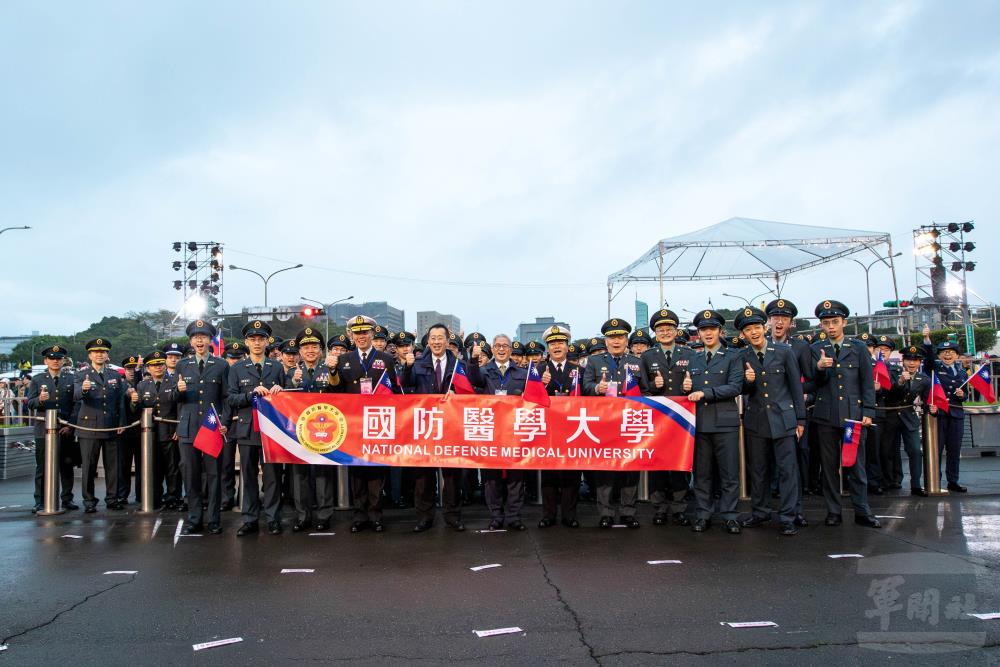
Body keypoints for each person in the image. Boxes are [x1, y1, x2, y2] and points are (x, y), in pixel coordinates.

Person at [810, 300, 881, 528]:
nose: (830, 327)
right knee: (829, 467)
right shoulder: (816, 349)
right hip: (826, 416)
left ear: (844, 323)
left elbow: (867, 383)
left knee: (856, 465)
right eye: (826, 323)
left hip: (853, 415)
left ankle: (862, 510)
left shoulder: (858, 348)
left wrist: (868, 410)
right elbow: (814, 383)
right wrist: (820, 368)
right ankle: (833, 511)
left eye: (835, 322)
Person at [737, 307, 805, 536]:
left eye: (757, 327)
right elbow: (742, 389)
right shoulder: (742, 356)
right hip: (756, 420)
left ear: (764, 328)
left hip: (784, 420)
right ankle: (760, 512)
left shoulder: (784, 351)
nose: (754, 332)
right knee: (758, 470)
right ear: (743, 335)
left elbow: (796, 387)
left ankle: (788, 516)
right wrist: (748, 382)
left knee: (787, 470)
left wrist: (800, 419)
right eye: (748, 330)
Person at [333, 316, 401, 533]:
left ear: (373, 334)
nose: (361, 337)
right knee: (357, 473)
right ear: (351, 335)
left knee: (376, 473)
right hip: (353, 425)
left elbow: (396, 392)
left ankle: (376, 515)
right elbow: (335, 392)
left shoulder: (385, 359)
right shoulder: (345, 359)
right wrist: (333, 372)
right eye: (357, 333)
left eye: (365, 333)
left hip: (378, 423)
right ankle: (359, 516)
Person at [582, 318, 648, 528]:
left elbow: (646, 390)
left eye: (620, 337)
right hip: (604, 422)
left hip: (629, 422)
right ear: (606, 340)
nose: (616, 341)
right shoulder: (594, 362)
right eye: (612, 337)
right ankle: (606, 512)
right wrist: (596, 389)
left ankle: (628, 511)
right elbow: (585, 387)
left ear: (626, 339)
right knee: (605, 468)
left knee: (630, 467)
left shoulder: (637, 362)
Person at [402, 322, 468, 532]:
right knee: (423, 476)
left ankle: (452, 516)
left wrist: (458, 395)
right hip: (425, 427)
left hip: (450, 427)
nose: (437, 341)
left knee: (451, 476)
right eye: (433, 338)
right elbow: (406, 385)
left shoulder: (458, 364)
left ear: (448, 341)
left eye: (441, 338)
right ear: (428, 341)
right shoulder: (419, 363)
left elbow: (469, 390)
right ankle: (424, 517)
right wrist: (408, 366)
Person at [684, 310, 744, 534]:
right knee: (702, 473)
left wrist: (705, 393)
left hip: (725, 422)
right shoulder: (694, 358)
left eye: (711, 329)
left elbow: (735, 387)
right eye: (703, 330)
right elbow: (687, 388)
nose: (707, 333)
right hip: (699, 422)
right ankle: (703, 514)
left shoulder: (733, 356)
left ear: (721, 331)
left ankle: (730, 515)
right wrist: (687, 388)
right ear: (698, 333)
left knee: (729, 473)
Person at [228, 319, 286, 536]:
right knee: (249, 476)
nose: (257, 343)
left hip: (272, 430)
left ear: (267, 341)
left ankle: (273, 518)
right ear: (246, 342)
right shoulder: (238, 368)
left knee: (272, 476)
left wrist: (282, 391)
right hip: (247, 429)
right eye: (253, 339)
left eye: (261, 339)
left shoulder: (277, 367)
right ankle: (250, 518)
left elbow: (288, 399)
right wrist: (250, 394)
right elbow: (231, 399)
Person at [640, 308, 695, 526]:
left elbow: (699, 383)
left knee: (680, 463)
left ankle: (679, 507)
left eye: (669, 328)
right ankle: (659, 508)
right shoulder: (646, 357)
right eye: (660, 329)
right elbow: (642, 390)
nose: (665, 332)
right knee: (658, 463)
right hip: (657, 418)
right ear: (655, 333)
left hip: (683, 417)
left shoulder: (689, 354)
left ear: (676, 331)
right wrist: (655, 385)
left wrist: (692, 386)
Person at [176, 320, 230, 535]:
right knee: (191, 475)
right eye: (196, 337)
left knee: (214, 475)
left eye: (204, 336)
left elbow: (226, 397)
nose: (200, 340)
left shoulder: (221, 365)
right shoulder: (182, 365)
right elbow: (173, 399)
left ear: (211, 341)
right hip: (188, 427)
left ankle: (214, 519)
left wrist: (224, 422)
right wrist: (178, 391)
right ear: (190, 341)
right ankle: (194, 518)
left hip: (211, 426)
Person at [471, 333, 528, 530]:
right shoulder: (483, 371)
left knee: (515, 478)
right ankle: (496, 516)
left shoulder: (522, 372)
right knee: (491, 478)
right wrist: (472, 359)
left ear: (511, 349)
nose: (501, 349)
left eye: (505, 346)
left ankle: (514, 516)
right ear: (493, 349)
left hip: (515, 432)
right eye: (497, 346)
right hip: (490, 432)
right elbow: (473, 381)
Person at [286, 326, 341, 532]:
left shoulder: (328, 369)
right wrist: (293, 382)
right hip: (298, 432)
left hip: (324, 429)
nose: (310, 350)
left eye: (314, 346)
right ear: (299, 351)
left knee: (322, 473)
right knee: (299, 475)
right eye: (305, 346)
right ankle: (302, 516)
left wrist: (333, 371)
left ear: (320, 349)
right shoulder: (291, 372)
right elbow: (282, 398)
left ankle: (324, 515)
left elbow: (337, 389)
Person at [764, 298, 812, 526]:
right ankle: (764, 510)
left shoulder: (801, 347)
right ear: (769, 321)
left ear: (791, 322)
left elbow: (809, 381)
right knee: (765, 467)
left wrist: (800, 401)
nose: (779, 322)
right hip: (764, 416)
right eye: (775, 318)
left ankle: (795, 511)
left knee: (791, 466)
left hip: (790, 416)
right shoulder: (759, 344)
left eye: (783, 318)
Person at [74, 338, 128, 513]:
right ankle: (89, 501)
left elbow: (120, 401)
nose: (100, 355)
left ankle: (112, 498)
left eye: (103, 352)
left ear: (107, 355)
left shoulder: (114, 375)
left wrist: (122, 423)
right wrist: (83, 389)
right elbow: (75, 396)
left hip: (111, 426)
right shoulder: (81, 374)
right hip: (89, 427)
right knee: (89, 467)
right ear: (90, 355)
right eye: (96, 352)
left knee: (113, 467)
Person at [27, 345, 80, 512]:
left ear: (64, 360)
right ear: (46, 361)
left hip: (65, 429)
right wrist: (40, 400)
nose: (55, 361)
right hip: (43, 429)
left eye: (59, 358)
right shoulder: (37, 379)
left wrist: (70, 426)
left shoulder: (71, 378)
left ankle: (66, 498)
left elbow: (76, 404)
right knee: (42, 467)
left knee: (66, 465)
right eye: (52, 358)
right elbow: (29, 403)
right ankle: (40, 500)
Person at [538, 325, 580, 529]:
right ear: (547, 348)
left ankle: (569, 515)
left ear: (567, 346)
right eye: (553, 343)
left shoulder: (578, 370)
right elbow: (529, 398)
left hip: (573, 429)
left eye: (560, 343)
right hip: (548, 429)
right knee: (549, 474)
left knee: (571, 474)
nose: (557, 346)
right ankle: (548, 515)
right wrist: (541, 385)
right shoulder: (537, 370)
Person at [922, 325, 968, 492]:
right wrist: (927, 340)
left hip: (956, 415)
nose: (948, 355)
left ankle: (953, 481)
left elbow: (966, 396)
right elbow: (927, 359)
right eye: (944, 353)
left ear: (956, 355)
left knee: (954, 451)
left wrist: (962, 394)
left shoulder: (962, 373)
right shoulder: (935, 368)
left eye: (951, 353)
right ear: (939, 355)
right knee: (936, 450)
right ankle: (934, 481)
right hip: (939, 414)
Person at [882, 345, 931, 496]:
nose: (912, 363)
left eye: (915, 360)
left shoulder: (924, 379)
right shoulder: (893, 372)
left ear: (920, 362)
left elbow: (927, 401)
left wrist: (932, 409)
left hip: (909, 417)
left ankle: (916, 484)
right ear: (903, 360)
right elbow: (887, 393)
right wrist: (901, 382)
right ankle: (889, 481)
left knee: (915, 451)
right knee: (886, 451)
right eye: (909, 359)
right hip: (890, 416)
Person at [135, 351, 180, 509]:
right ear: (148, 368)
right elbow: (137, 409)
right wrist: (134, 402)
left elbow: (179, 407)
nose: (158, 368)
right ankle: (156, 496)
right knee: (154, 467)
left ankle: (173, 497)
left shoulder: (174, 381)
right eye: (154, 365)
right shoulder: (142, 385)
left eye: (161, 364)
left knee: (172, 468)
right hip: (151, 433)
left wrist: (178, 427)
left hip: (170, 431)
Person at [220, 342, 247, 511]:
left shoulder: (246, 371)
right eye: (231, 358)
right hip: (226, 423)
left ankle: (245, 499)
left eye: (238, 358)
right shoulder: (221, 374)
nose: (235, 361)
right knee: (226, 464)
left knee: (247, 464)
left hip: (245, 422)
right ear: (226, 359)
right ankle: (226, 498)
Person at [118, 355, 143, 506]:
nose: (132, 371)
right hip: (124, 429)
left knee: (142, 465)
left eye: (134, 369)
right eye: (129, 368)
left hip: (140, 430)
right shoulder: (120, 385)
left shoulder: (142, 384)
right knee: (123, 465)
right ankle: (122, 495)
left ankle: (141, 494)